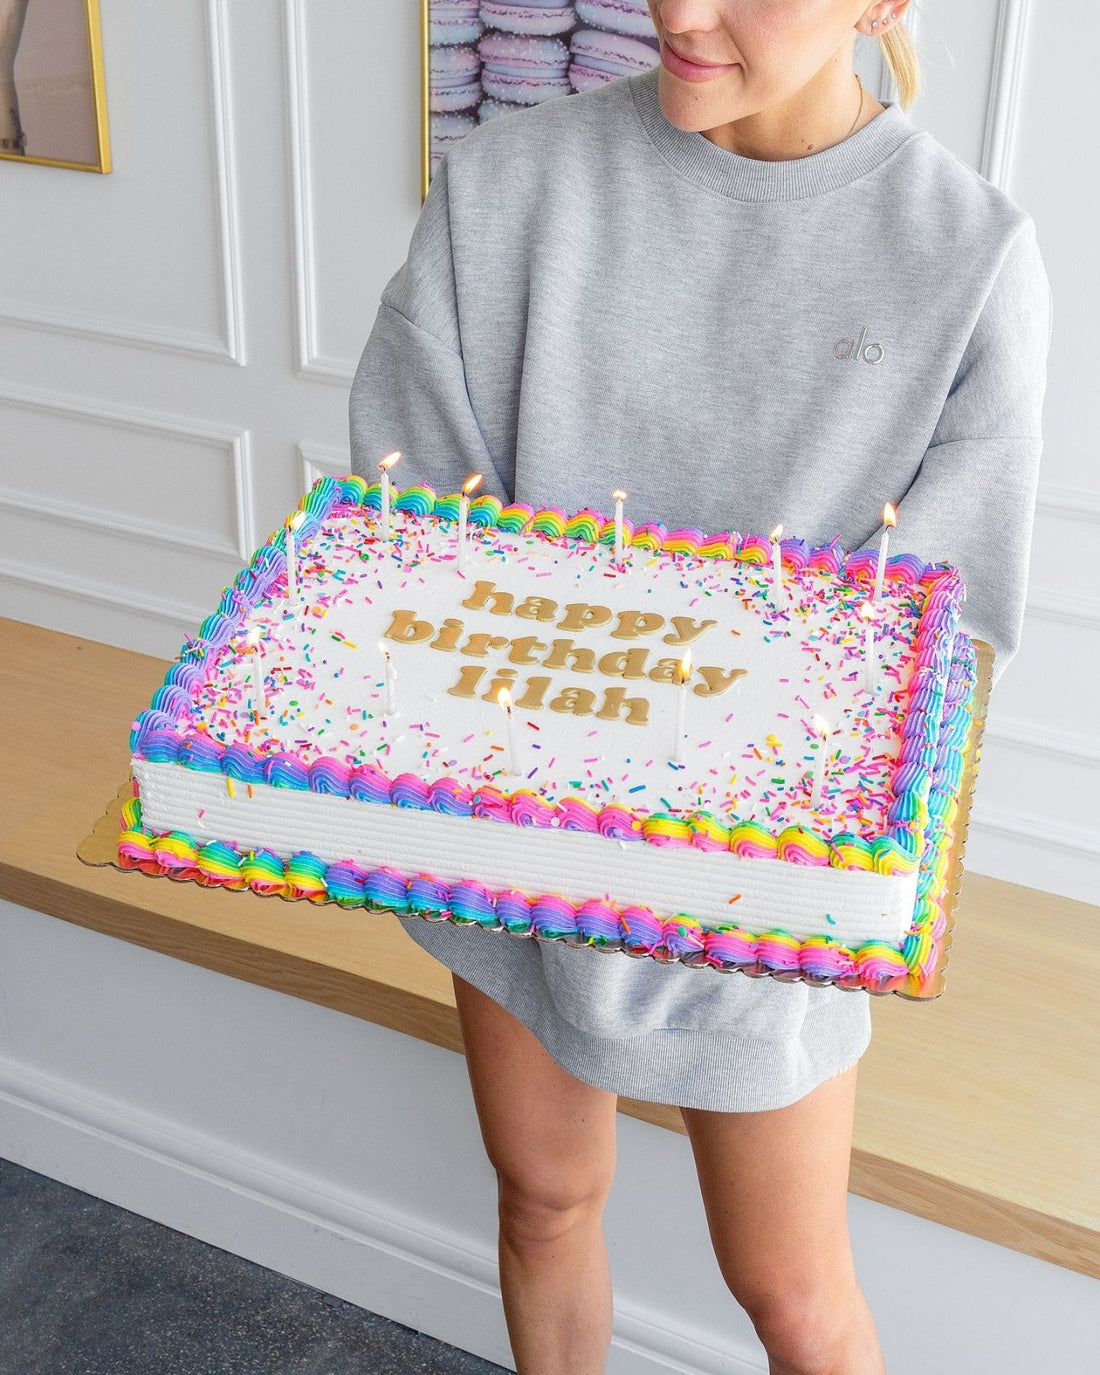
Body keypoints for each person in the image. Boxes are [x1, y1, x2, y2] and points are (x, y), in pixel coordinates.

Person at [348, 2, 1052, 1370]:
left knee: (791, 1294)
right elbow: (408, 528)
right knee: (545, 1199)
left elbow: (940, 645)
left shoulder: (967, 255)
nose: (680, 10)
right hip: (515, 841)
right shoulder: (507, 188)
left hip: (765, 878)